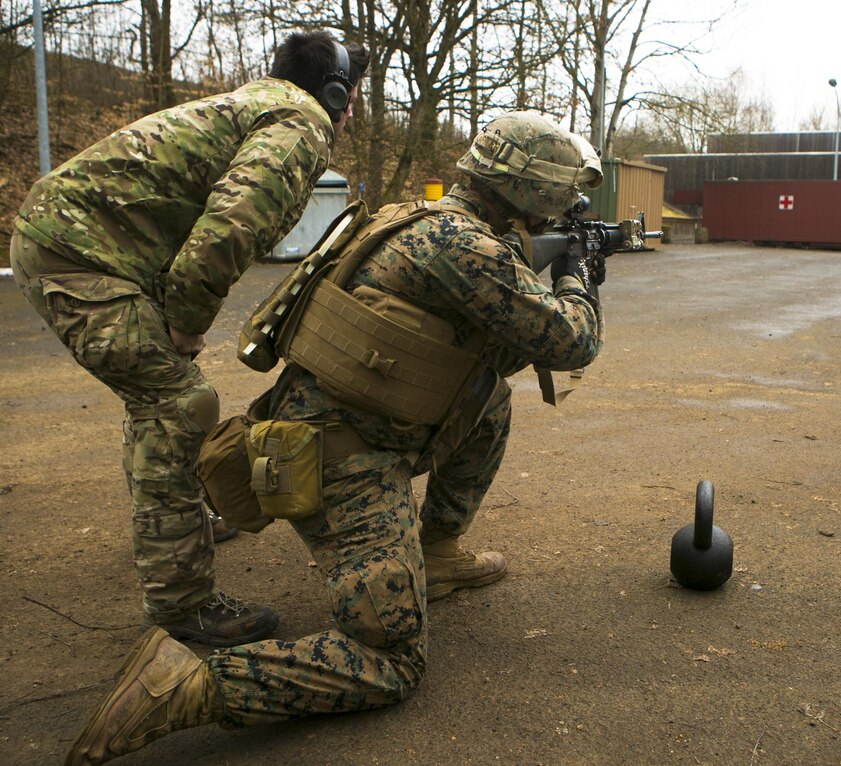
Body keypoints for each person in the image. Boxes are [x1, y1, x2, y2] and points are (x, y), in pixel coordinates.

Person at [63, 111, 605, 765]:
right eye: (562, 195)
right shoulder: (465, 248)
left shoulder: (418, 219)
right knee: (390, 661)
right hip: (337, 460)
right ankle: (185, 684)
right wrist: (578, 273)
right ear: (531, 191)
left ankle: (436, 553)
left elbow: (495, 342)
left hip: (348, 426)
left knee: (489, 398)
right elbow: (572, 338)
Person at [9, 30, 370, 647]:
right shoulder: (300, 123)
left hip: (83, 244)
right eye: (354, 94)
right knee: (179, 405)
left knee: (163, 401)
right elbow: (232, 224)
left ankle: (176, 518)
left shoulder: (258, 103)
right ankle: (182, 602)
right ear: (336, 90)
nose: (354, 109)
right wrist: (186, 321)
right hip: (80, 256)